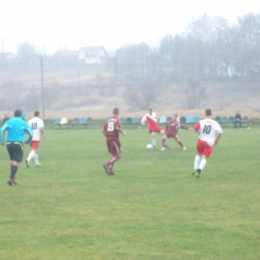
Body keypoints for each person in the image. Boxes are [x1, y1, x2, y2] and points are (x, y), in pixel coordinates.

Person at [0, 109, 33, 186]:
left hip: (9, 143)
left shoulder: (9, 122)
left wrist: (2, 141)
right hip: (18, 143)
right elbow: (31, 133)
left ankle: (13, 180)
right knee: (16, 161)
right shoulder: (24, 123)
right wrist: (28, 141)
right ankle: (10, 179)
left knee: (14, 161)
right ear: (21, 115)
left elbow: (1, 131)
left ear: (14, 115)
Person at [192, 109, 223, 178]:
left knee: (198, 154)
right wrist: (217, 140)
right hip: (209, 142)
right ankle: (198, 171)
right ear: (211, 115)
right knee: (204, 157)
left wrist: (199, 133)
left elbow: (196, 128)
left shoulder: (201, 122)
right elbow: (220, 132)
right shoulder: (214, 123)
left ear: (205, 114)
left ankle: (195, 169)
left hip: (200, 141)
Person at [102, 107, 126, 175]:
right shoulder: (116, 119)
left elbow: (103, 130)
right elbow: (117, 128)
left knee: (113, 155)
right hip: (114, 139)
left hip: (108, 139)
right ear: (118, 113)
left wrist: (107, 136)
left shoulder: (108, 120)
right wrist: (123, 132)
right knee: (119, 155)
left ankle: (110, 171)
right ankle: (107, 164)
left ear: (113, 113)